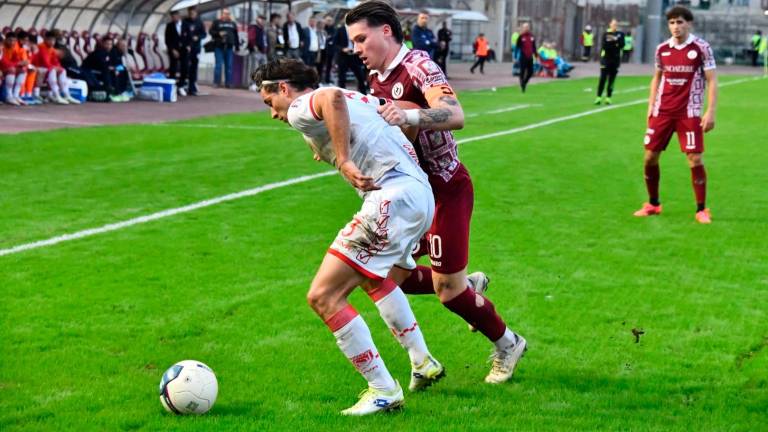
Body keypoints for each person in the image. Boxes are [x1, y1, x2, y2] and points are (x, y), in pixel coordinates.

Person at [346, 0, 527, 385]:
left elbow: (455, 114)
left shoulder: (419, 65)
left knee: (447, 293)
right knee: (386, 277)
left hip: (445, 189)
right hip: (410, 195)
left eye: (361, 39)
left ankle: (508, 343)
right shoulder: (377, 79)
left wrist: (409, 115)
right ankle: (466, 285)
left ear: (386, 32)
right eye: (353, 42)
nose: (356, 48)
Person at [252, 58, 444, 415]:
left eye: (269, 102)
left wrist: (343, 159)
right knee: (376, 280)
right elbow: (404, 110)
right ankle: (422, 361)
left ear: (283, 88)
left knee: (323, 296)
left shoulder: (300, 106)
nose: (273, 114)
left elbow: (330, 100)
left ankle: (383, 389)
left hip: (391, 198)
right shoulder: (361, 98)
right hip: (418, 196)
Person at [634, 6, 717, 224]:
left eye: (680, 22)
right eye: (671, 22)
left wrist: (710, 110)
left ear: (689, 23)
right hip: (662, 111)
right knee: (650, 156)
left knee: (695, 158)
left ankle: (701, 209)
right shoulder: (662, 49)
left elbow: (712, 80)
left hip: (688, 112)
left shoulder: (701, 48)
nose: (675, 27)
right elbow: (657, 77)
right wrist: (650, 106)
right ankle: (653, 203)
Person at [34, 29, 80, 104]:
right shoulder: (41, 47)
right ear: (45, 39)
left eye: (53, 40)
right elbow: (46, 63)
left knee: (62, 70)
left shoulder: (52, 49)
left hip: (46, 68)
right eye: (50, 40)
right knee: (52, 70)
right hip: (38, 67)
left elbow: (56, 62)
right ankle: (56, 95)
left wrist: (59, 68)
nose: (52, 42)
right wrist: (55, 67)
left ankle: (66, 94)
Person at [594, 19, 625, 105]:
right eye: (613, 24)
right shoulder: (606, 34)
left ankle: (608, 97)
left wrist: (613, 41)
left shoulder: (621, 34)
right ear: (610, 24)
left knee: (612, 80)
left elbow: (622, 45)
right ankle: (598, 97)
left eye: (616, 24)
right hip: (605, 60)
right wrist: (615, 41)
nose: (614, 26)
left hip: (615, 60)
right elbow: (605, 46)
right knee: (602, 79)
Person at [209, 8, 239, 88]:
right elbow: (211, 31)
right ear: (222, 14)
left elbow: (236, 36)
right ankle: (216, 82)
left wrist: (237, 46)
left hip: (229, 47)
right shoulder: (216, 22)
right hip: (219, 47)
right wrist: (219, 33)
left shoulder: (232, 23)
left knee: (229, 66)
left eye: (228, 13)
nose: (226, 15)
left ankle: (228, 83)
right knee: (218, 65)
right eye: (225, 13)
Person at [334, 23, 367, 93]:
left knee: (360, 75)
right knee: (342, 77)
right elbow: (335, 44)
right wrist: (342, 49)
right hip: (343, 56)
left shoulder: (356, 29)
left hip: (354, 56)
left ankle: (364, 93)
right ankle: (342, 94)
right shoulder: (340, 30)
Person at [164, 10, 189, 96]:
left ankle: (181, 86)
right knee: (173, 68)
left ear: (178, 16)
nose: (173, 18)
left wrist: (188, 46)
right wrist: (172, 50)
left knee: (185, 67)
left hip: (184, 50)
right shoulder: (169, 26)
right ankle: (172, 86)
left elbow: (189, 37)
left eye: (175, 16)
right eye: (172, 17)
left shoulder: (186, 25)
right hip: (174, 50)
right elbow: (167, 40)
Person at [1, 32, 28, 105]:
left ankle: (16, 95)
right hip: (2, 68)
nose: (12, 43)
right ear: (5, 40)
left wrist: (22, 63)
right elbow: (4, 62)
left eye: (14, 41)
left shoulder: (13, 49)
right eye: (10, 40)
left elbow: (16, 60)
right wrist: (18, 63)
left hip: (7, 68)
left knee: (23, 70)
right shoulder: (2, 47)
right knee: (12, 69)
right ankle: (9, 96)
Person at [184, 6, 206, 95]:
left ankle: (192, 87)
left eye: (193, 13)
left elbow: (204, 34)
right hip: (186, 48)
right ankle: (183, 85)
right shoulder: (185, 22)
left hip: (196, 49)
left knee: (194, 67)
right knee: (186, 67)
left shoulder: (199, 22)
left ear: (196, 13)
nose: (191, 15)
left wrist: (198, 37)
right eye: (190, 13)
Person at [516, 22, 538, 92]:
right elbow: (517, 46)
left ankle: (524, 82)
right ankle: (522, 84)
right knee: (522, 71)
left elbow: (534, 46)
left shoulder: (532, 36)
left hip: (530, 56)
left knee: (531, 72)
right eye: (525, 27)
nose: (526, 28)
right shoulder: (521, 36)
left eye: (527, 27)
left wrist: (536, 54)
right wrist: (516, 56)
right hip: (523, 56)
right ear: (523, 28)